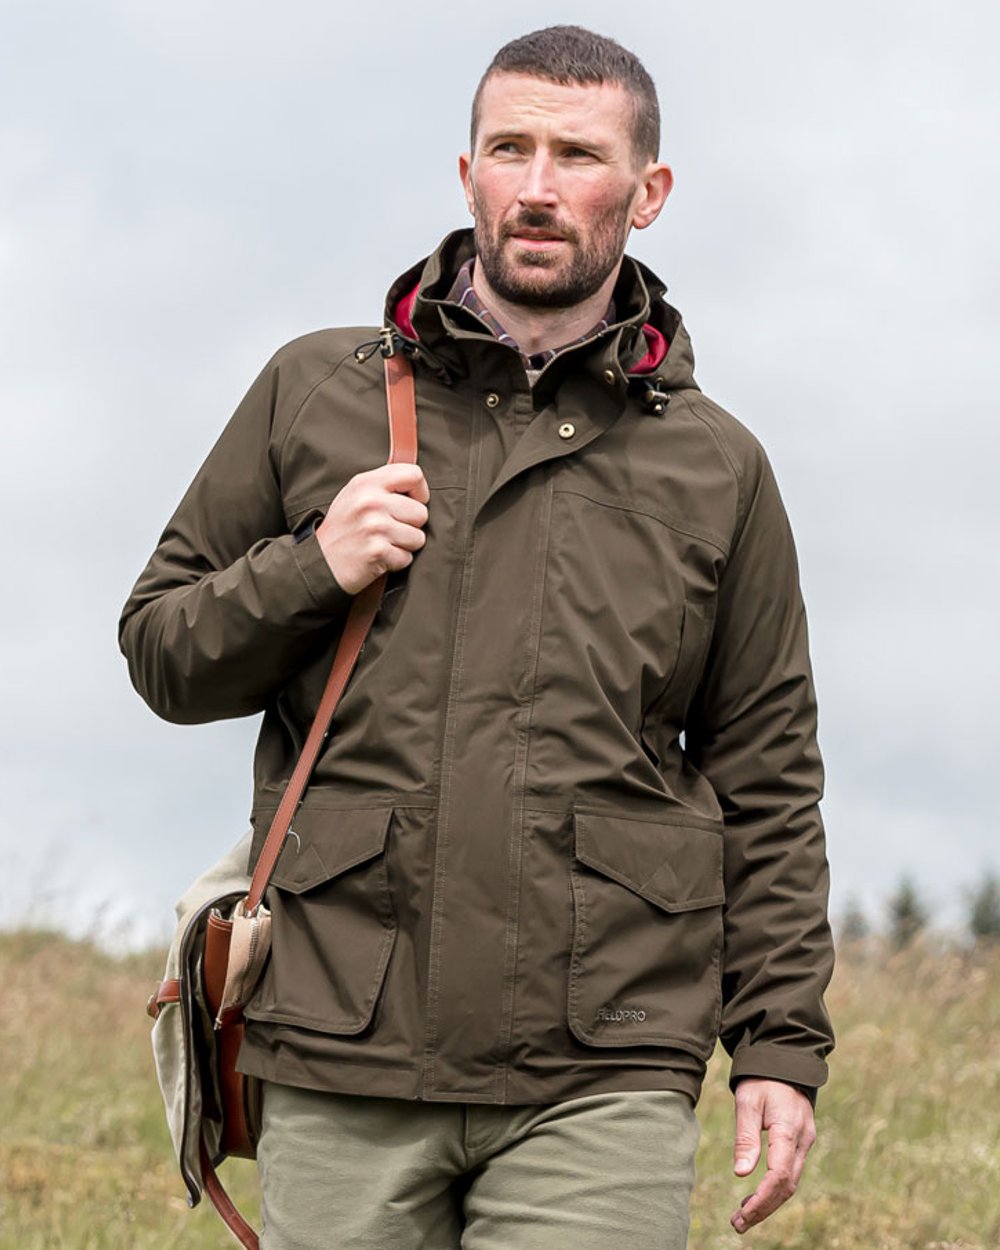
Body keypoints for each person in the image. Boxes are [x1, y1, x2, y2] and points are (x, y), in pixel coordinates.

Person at [120, 25, 834, 1250]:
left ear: (647, 192)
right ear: (467, 175)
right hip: (343, 1034)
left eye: (577, 154)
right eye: (510, 148)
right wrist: (313, 564)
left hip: (604, 1054)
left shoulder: (719, 465)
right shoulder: (313, 389)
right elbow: (162, 651)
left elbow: (766, 776)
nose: (539, 186)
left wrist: (777, 1041)